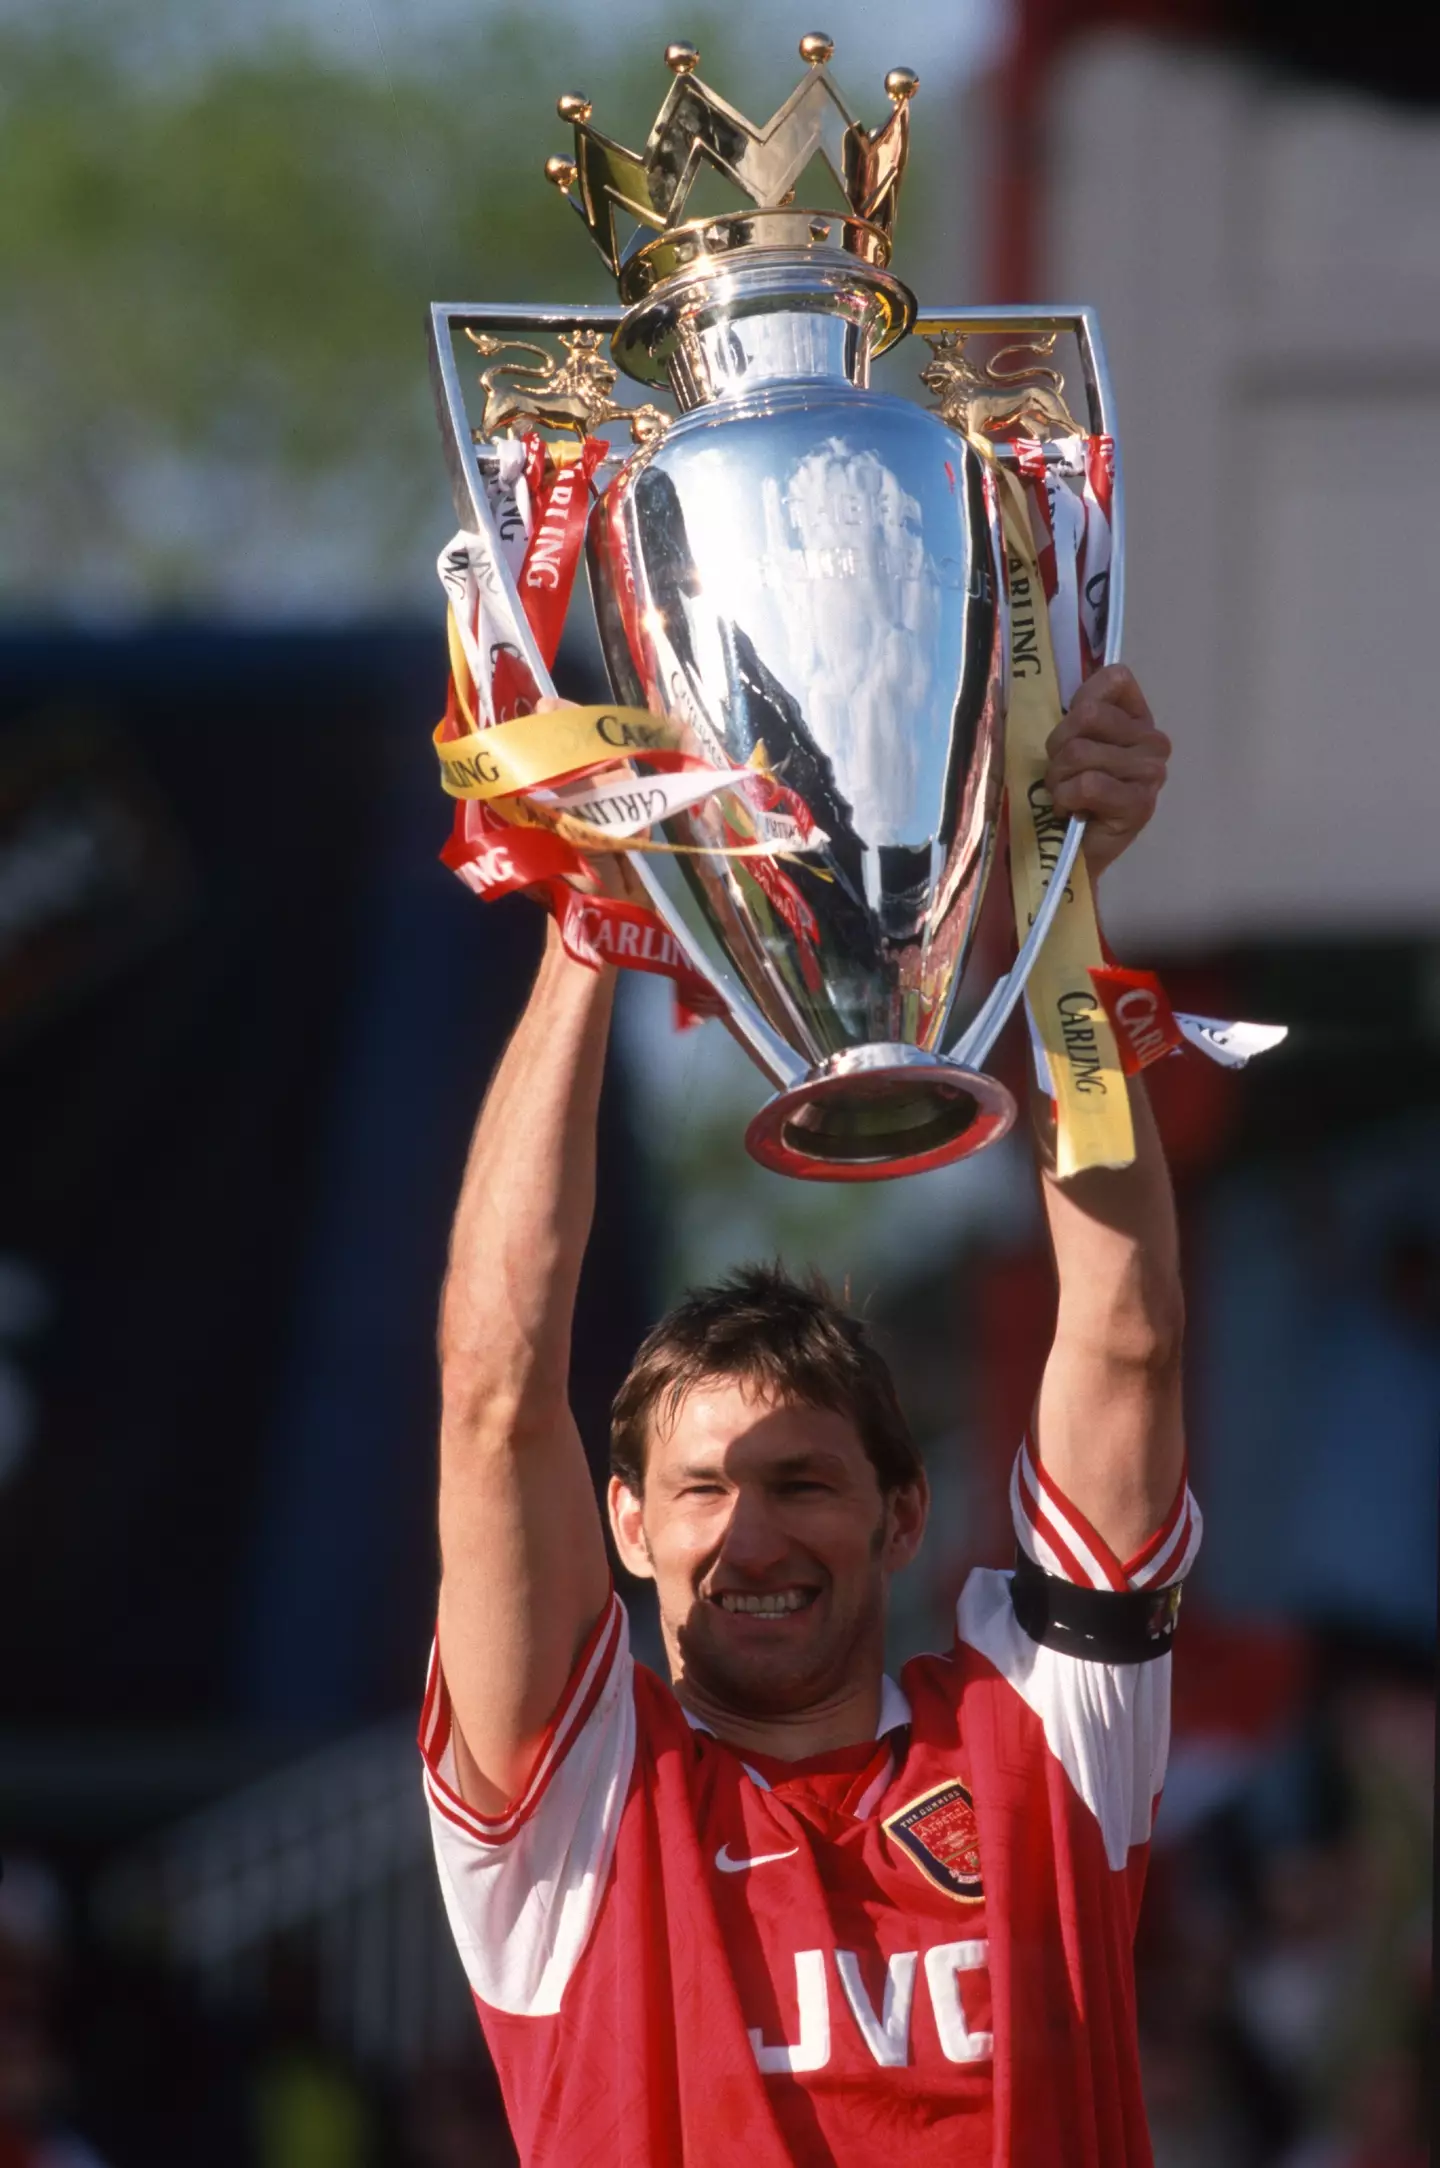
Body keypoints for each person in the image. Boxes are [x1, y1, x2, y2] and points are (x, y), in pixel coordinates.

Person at [420, 665, 1193, 2166]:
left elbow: (1129, 1341)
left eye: (803, 1482)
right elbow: (494, 1396)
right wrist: (591, 926)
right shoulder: (579, 1811)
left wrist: (1055, 900)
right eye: (701, 1489)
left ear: (905, 1515)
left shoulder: (1038, 1739)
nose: (752, 1534)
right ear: (626, 1528)